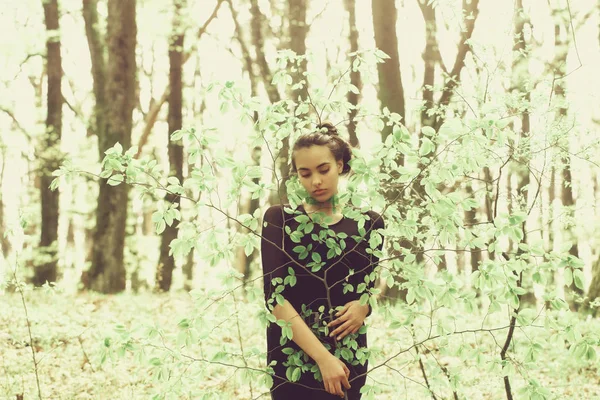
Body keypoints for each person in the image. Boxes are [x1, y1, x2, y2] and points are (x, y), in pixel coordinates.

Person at [261, 122, 385, 399]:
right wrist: (324, 359)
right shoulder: (279, 220)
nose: (315, 181)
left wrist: (365, 306)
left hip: (348, 357)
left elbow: (371, 284)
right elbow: (274, 298)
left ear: (340, 165)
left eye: (323, 170)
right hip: (292, 357)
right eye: (305, 174)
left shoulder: (370, 223)